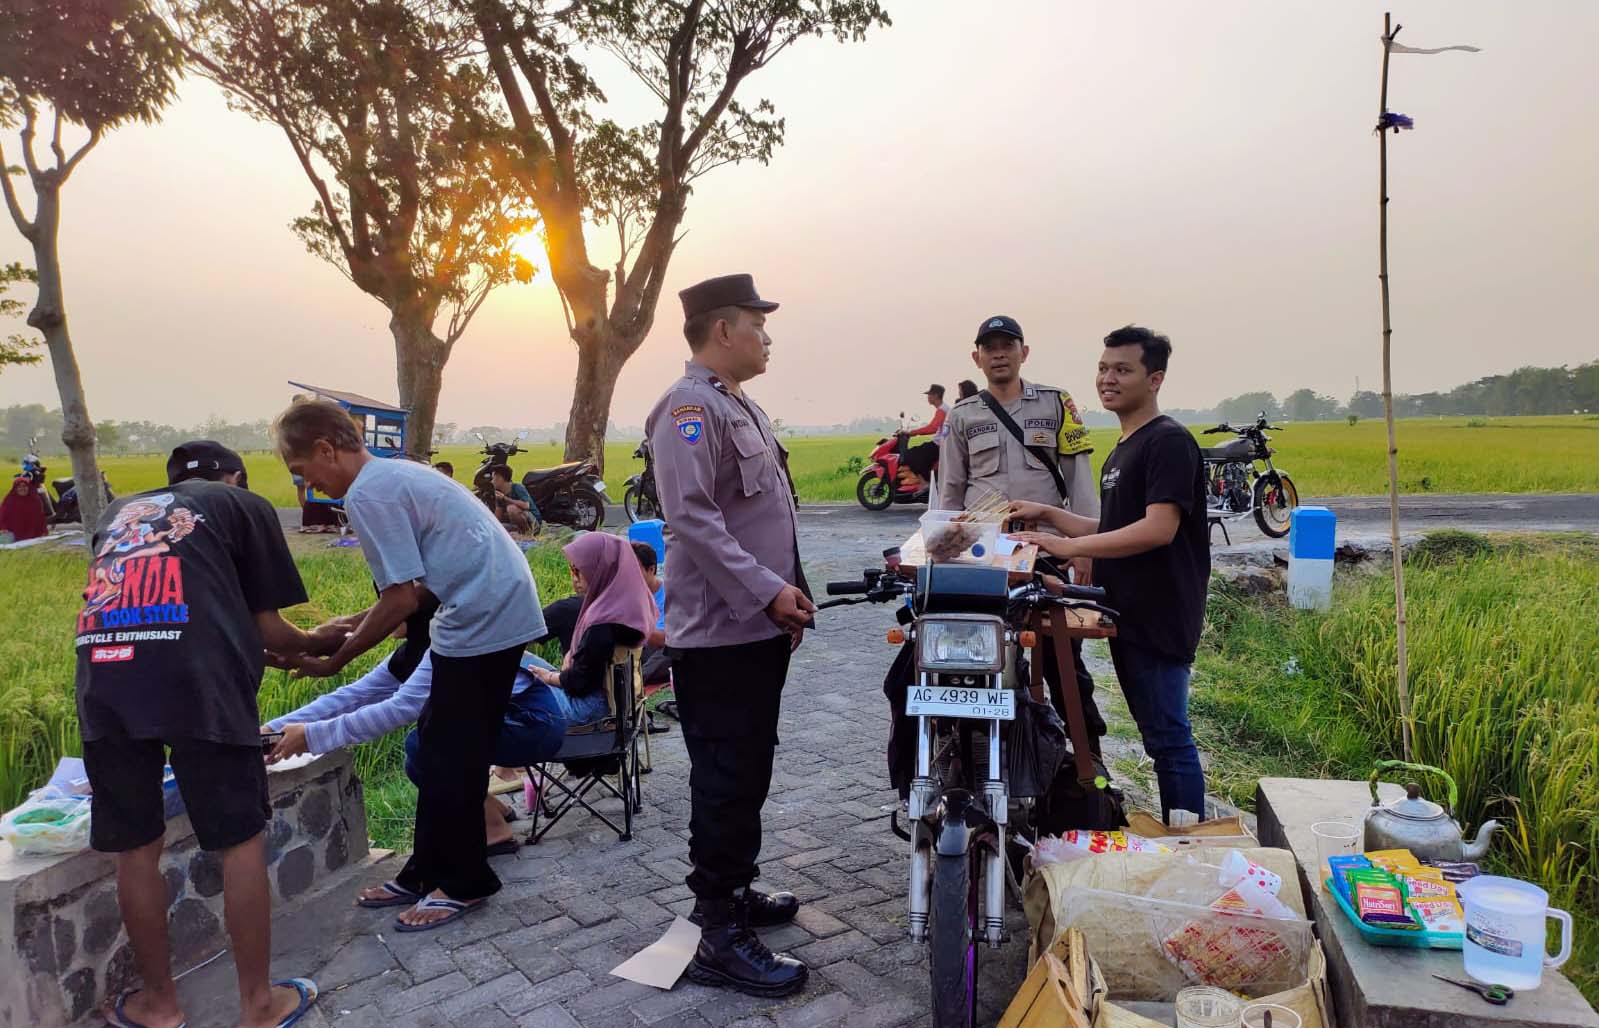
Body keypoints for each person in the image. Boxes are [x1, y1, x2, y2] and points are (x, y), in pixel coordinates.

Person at [75, 441, 325, 1028]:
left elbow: (168, 604)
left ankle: (160, 1005)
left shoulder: (119, 512)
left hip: (104, 676)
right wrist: (318, 641)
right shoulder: (239, 503)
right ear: (234, 476)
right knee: (238, 840)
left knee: (136, 846)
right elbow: (270, 627)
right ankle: (258, 1006)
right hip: (199, 682)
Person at [273, 398, 545, 932]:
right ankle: (426, 872)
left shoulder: (368, 493)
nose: (307, 486)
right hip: (490, 608)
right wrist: (338, 632)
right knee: (441, 747)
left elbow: (399, 599)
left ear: (326, 449)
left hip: (482, 617)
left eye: (302, 471)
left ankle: (464, 882)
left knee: (453, 757)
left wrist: (334, 660)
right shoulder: (394, 476)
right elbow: (413, 591)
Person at [645, 272, 812, 998]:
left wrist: (788, 590)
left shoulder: (739, 405)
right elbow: (691, 518)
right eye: (756, 323)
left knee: (747, 771)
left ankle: (735, 891)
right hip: (718, 634)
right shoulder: (688, 407)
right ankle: (716, 931)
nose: (766, 337)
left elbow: (770, 513)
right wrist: (767, 590)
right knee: (724, 779)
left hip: (753, 627)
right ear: (722, 330)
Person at [1011, 325, 1210, 822]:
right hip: (1127, 611)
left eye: (1123, 369)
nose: (1108, 379)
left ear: (1155, 379)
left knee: (1168, 739)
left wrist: (1071, 546)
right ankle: (1180, 832)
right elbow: (1116, 527)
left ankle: (1188, 840)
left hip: (1160, 612)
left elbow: (1159, 528)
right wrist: (1051, 515)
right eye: (1103, 368)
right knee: (1158, 735)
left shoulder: (1167, 441)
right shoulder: (1124, 448)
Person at [937, 314, 1107, 750]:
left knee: (1062, 657)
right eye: (989, 348)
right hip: (983, 555)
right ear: (976, 358)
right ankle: (977, 750)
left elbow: (1079, 480)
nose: (999, 355)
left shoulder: (1056, 404)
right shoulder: (962, 415)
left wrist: (1085, 547)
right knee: (975, 653)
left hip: (1046, 549)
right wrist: (942, 554)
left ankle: (1088, 758)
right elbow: (951, 492)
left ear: (1023, 353)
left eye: (1007, 346)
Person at [900, 383, 949, 485]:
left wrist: (912, 433)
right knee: (919, 451)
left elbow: (932, 428)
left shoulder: (942, 410)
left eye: (929, 395)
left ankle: (922, 481)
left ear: (936, 395)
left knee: (909, 454)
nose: (928, 397)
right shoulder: (944, 409)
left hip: (939, 445)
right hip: (941, 443)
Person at [490, 464, 538, 535]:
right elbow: (498, 516)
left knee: (511, 508)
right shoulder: (499, 494)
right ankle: (519, 533)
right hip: (516, 524)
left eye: (493, 478)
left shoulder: (518, 488)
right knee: (499, 528)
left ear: (500, 478)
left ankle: (528, 534)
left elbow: (526, 505)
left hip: (533, 523)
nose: (492, 482)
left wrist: (505, 498)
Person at [0, 474, 50, 542]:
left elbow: (41, 517)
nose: (22, 488)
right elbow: (2, 516)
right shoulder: (9, 500)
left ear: (29, 487)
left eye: (24, 486)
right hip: (14, 534)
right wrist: (3, 528)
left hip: (34, 534)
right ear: (15, 488)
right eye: (19, 487)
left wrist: (44, 530)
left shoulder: (35, 500)